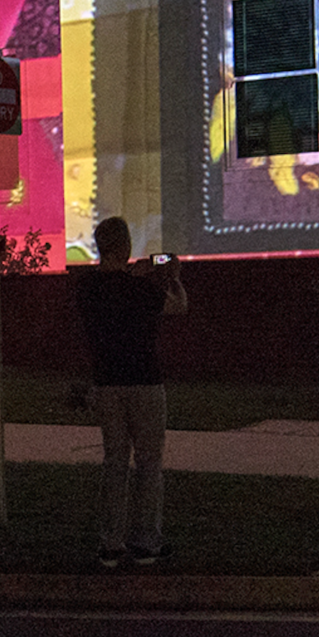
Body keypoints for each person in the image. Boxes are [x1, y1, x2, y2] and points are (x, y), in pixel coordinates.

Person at [73, 215, 187, 569]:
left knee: (115, 463)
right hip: (145, 382)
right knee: (149, 464)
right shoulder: (142, 289)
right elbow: (178, 307)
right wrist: (173, 279)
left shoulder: (87, 288)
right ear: (125, 247)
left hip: (107, 383)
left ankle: (111, 542)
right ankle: (146, 541)